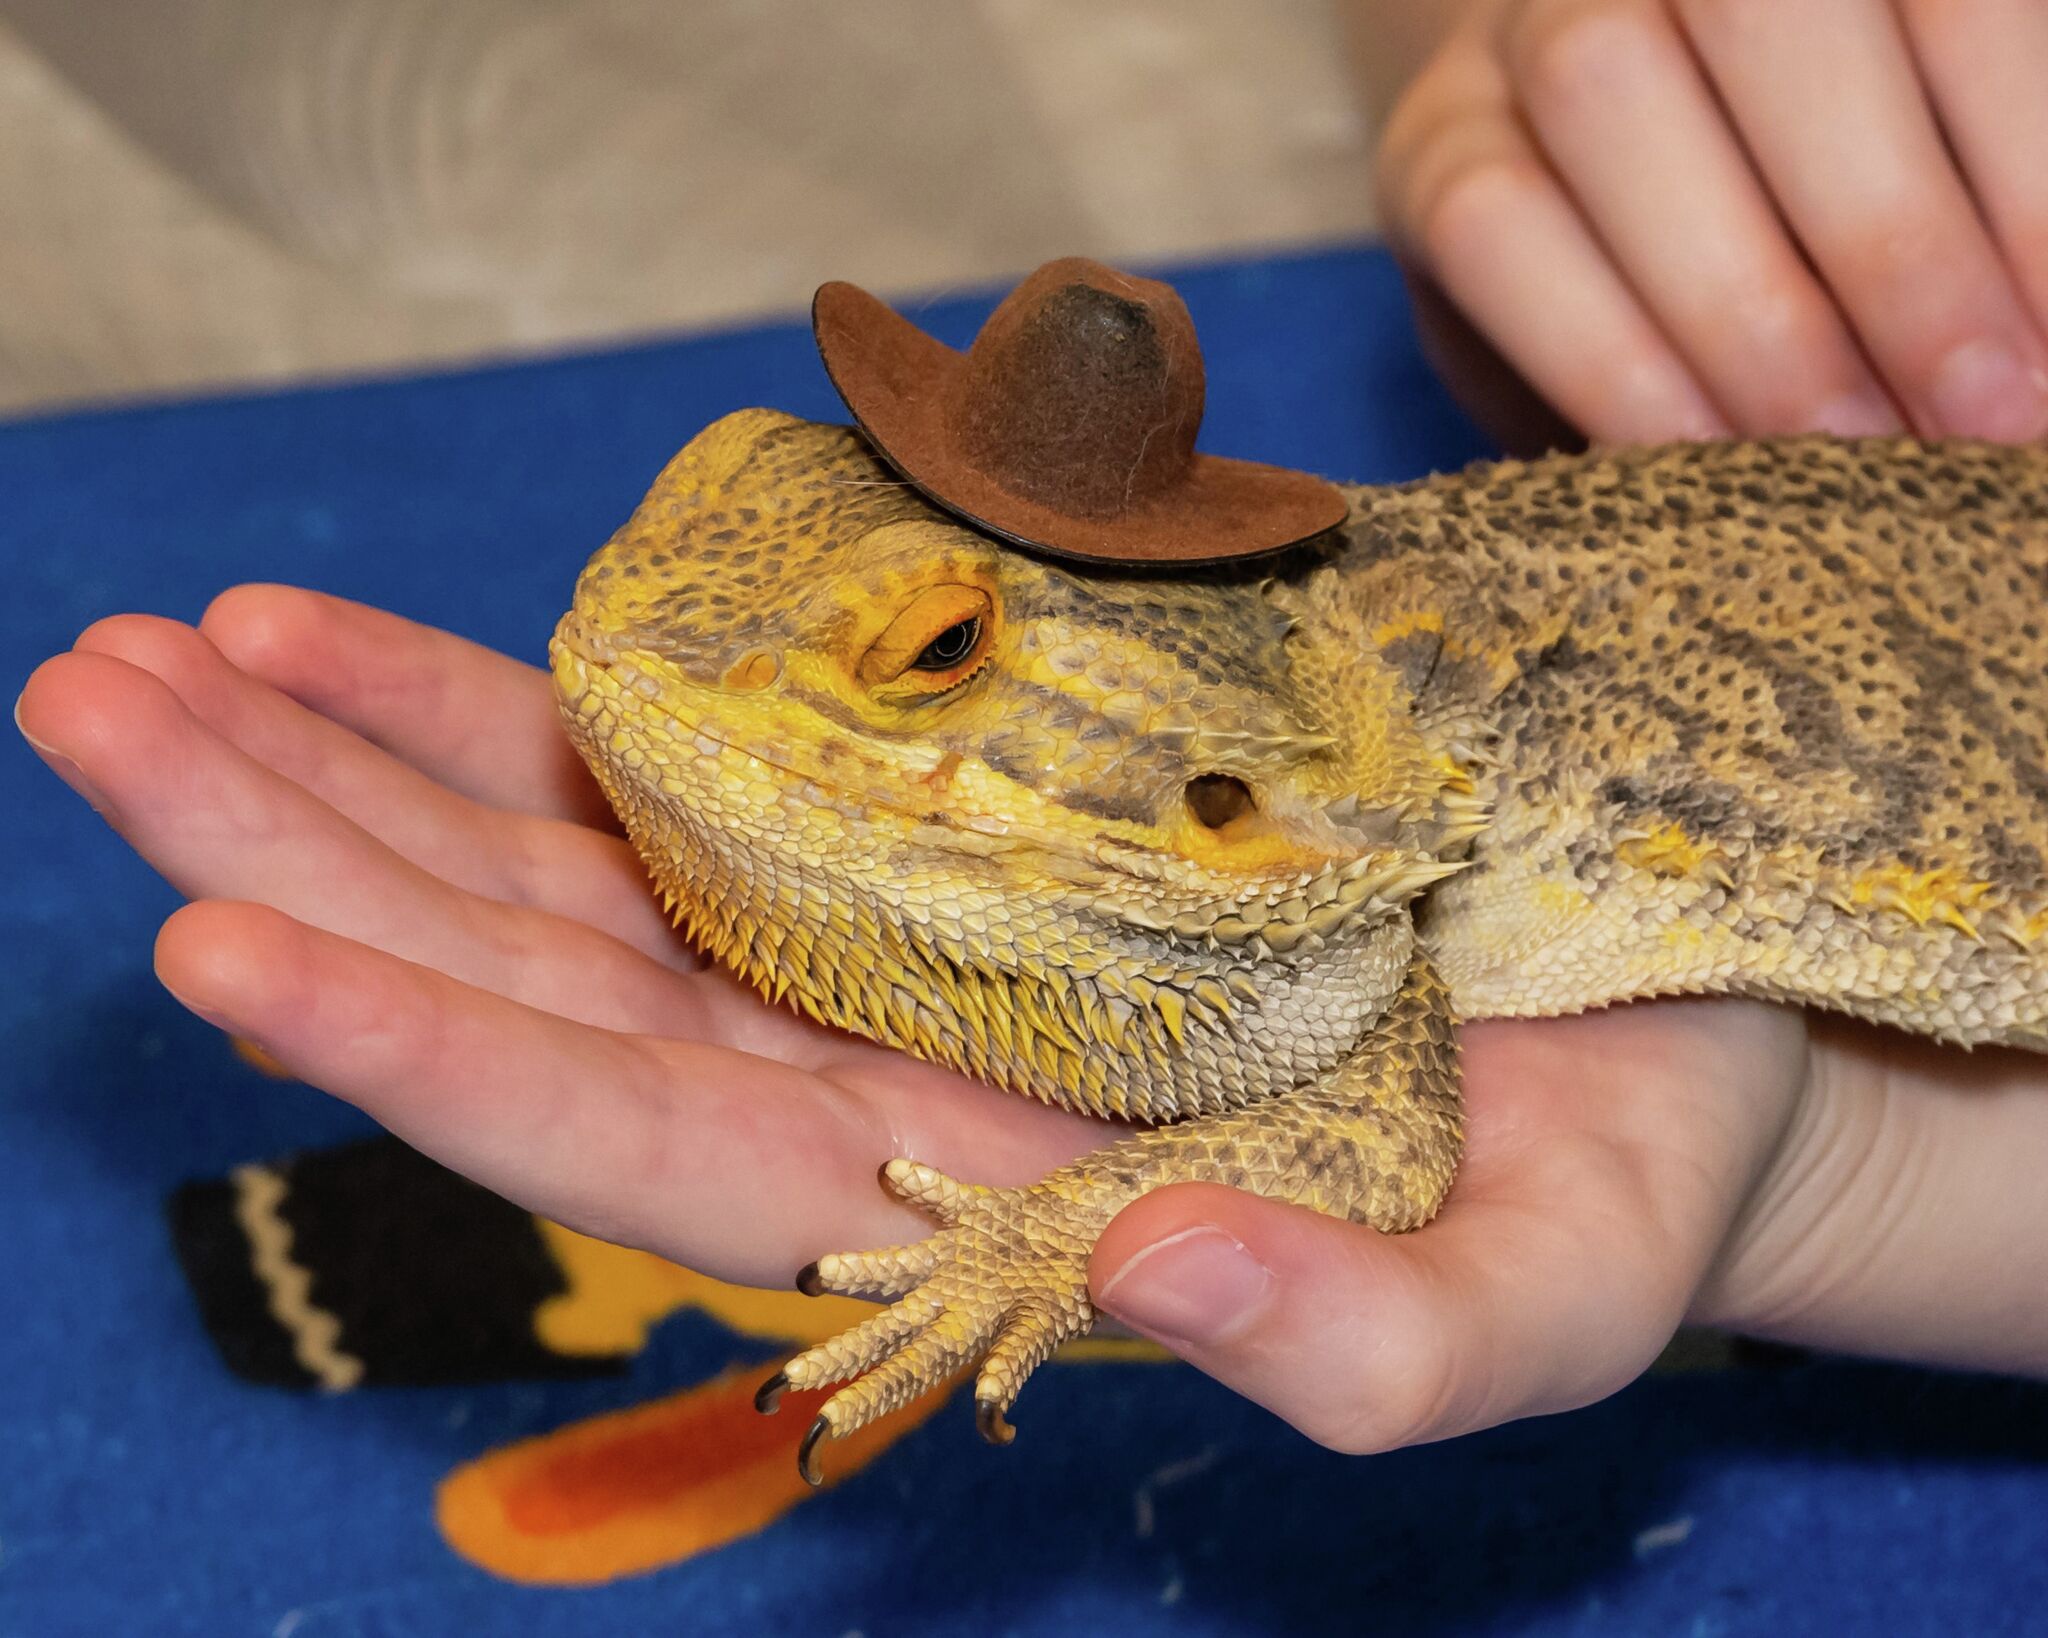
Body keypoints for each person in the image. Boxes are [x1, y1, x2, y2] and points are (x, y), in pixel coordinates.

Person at [16, 0, 2048, 1460]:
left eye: (925, 655)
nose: (627, 659)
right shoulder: (1344, 805)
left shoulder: (1323, 808)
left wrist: (1050, 1241)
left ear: (1229, 799)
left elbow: (1368, 1129)